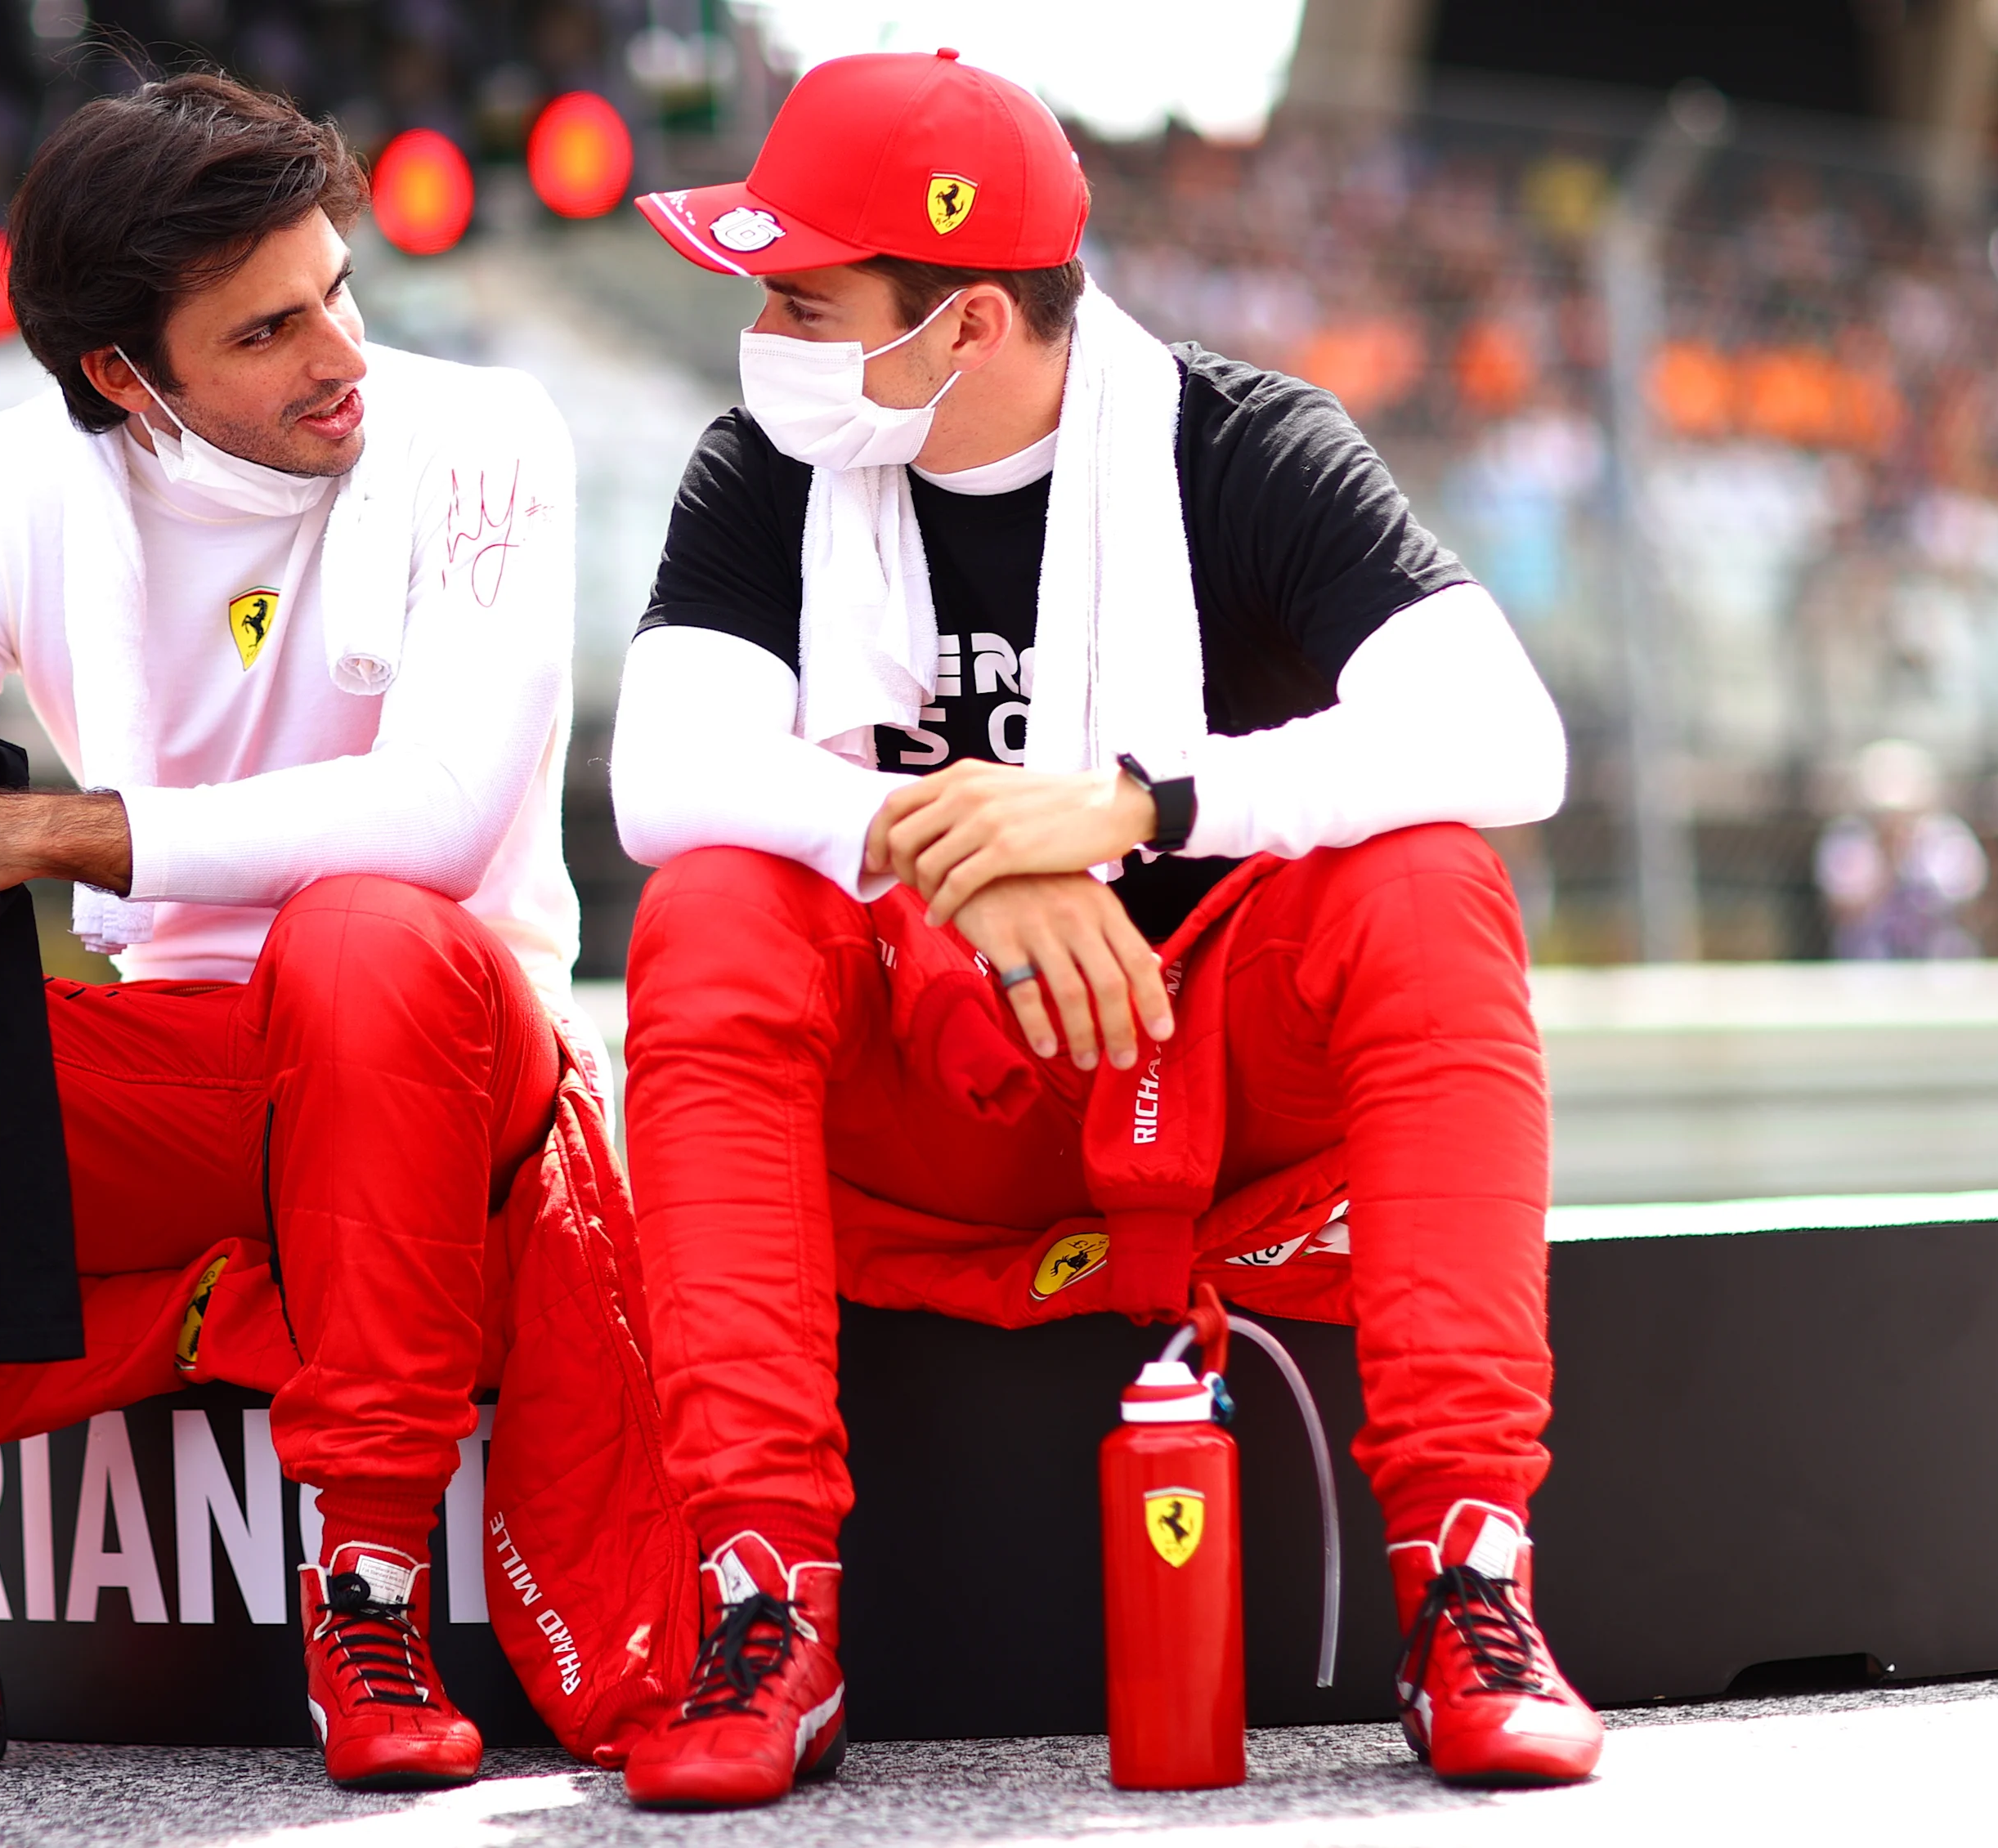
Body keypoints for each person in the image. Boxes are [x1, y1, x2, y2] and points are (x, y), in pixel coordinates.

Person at [609, 49, 1602, 1809]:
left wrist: (1137, 805)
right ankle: (764, 1599)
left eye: (799, 294)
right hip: (950, 1082)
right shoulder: (763, 466)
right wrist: (965, 852)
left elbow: (1508, 736)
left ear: (969, 324)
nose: (759, 331)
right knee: (711, 907)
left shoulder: (1247, 445)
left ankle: (1466, 1573)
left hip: (1203, 1063)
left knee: (1430, 875)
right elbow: (662, 772)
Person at [0, 72, 582, 1792]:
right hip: (190, 1082)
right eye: (268, 329)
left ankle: (367, 1580)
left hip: (442, 1063)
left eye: (339, 290)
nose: (339, 354)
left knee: (361, 932)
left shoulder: (483, 432)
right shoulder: (1, 481)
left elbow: (443, 813)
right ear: (122, 378)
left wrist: (65, 829)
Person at [1817, 738, 1987, 960]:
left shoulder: (1948, 837)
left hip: (1939, 961)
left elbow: (1967, 906)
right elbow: (1844, 909)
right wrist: (1887, 860)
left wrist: (1909, 858)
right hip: (1870, 963)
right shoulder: (1848, 837)